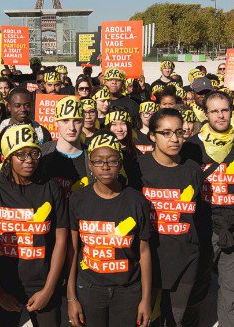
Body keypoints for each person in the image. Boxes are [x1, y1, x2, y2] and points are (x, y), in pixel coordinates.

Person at [181, 90, 234, 327]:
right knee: (196, 283)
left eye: (224, 110)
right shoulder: (192, 146)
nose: (220, 115)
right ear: (205, 114)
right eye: (214, 111)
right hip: (203, 225)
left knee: (233, 288)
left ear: (232, 111)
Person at [0, 123, 69, 327]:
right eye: (20, 154)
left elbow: (61, 240)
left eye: (34, 153)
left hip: (43, 282)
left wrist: (48, 290)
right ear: (7, 157)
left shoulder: (51, 187)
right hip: (5, 283)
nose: (29, 160)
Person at [67, 131, 152, 327]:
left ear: (120, 164)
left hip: (128, 290)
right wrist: (71, 298)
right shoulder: (77, 200)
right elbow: (72, 251)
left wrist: (146, 299)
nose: (105, 166)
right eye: (98, 161)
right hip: (89, 288)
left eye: (112, 161)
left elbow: (144, 252)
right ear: (90, 165)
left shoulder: (137, 201)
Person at [137, 108, 202, 326]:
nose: (174, 139)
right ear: (153, 136)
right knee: (147, 319)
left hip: (185, 256)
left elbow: (198, 214)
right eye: (166, 133)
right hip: (150, 256)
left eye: (179, 132)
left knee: (174, 319)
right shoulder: (139, 167)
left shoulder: (193, 170)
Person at [0, 88, 52, 169]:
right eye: (17, 106)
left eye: (27, 105)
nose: (23, 109)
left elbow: (46, 164)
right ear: (9, 107)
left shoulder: (42, 132)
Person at [40, 96, 87, 197]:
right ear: (56, 122)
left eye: (77, 121)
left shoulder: (93, 156)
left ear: (83, 122)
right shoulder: (42, 152)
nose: (72, 128)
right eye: (65, 120)